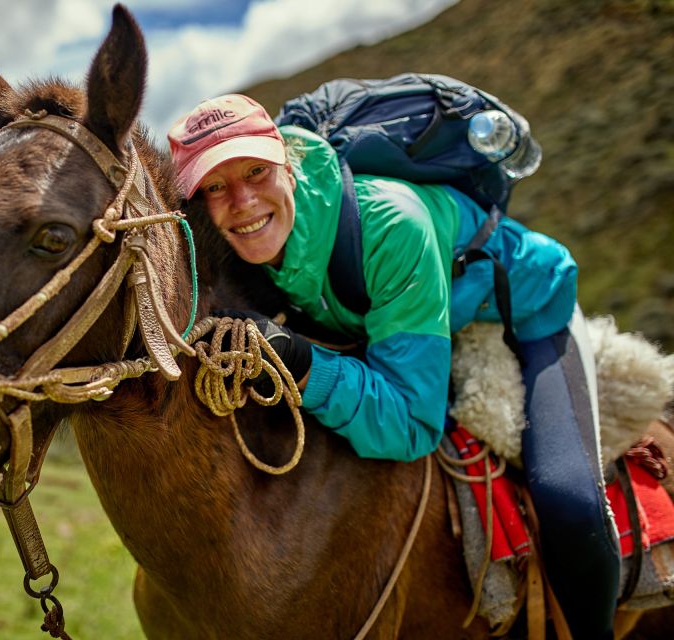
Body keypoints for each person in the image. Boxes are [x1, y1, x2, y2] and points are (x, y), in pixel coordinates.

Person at [167, 92, 620, 638]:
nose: (240, 201)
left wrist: (304, 366)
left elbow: (414, 423)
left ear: (288, 161)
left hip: (527, 309)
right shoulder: (234, 245)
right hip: (408, 314)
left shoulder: (388, 224)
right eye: (215, 186)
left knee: (569, 502)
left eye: (256, 171)